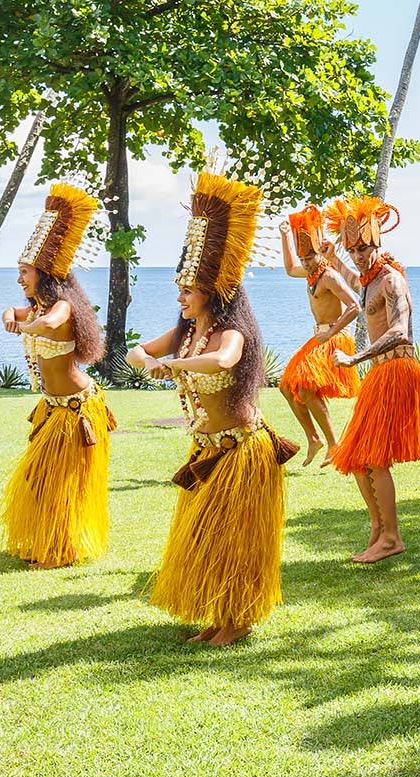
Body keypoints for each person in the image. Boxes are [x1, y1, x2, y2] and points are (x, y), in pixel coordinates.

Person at [128, 165, 297, 645]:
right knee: (206, 535)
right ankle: (217, 614)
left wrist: (176, 368)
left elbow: (223, 360)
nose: (179, 297)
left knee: (236, 539)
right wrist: (148, 363)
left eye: (187, 290)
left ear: (212, 293)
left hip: (242, 452)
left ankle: (237, 619)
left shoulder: (231, 334)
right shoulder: (184, 331)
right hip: (205, 451)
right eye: (179, 289)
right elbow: (137, 351)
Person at [322, 195, 420, 563]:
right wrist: (331, 258)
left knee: (374, 457)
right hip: (381, 371)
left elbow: (399, 331)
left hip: (397, 371)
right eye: (352, 249)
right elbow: (355, 279)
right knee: (356, 456)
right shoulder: (369, 280)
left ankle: (391, 536)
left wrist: (355, 356)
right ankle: (378, 529)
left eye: (363, 247)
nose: (358, 255)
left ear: (378, 242)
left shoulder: (391, 282)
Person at [0, 183, 113, 568]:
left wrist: (28, 326)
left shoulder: (61, 306)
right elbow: (11, 312)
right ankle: (52, 542)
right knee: (40, 477)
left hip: (77, 409)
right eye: (19, 272)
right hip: (52, 407)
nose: (20, 279)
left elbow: (49, 323)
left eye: (25, 272)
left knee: (62, 482)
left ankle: (61, 549)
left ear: (43, 274)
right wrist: (11, 319)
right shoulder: (38, 304)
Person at [278, 204, 362, 466]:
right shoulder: (310, 272)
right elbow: (291, 268)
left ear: (320, 254)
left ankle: (335, 444)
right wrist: (283, 236)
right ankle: (314, 439)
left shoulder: (328, 276)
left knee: (304, 386)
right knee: (285, 386)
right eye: (304, 258)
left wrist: (333, 333)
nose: (305, 262)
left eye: (309, 257)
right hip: (318, 337)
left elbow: (355, 306)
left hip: (334, 337)